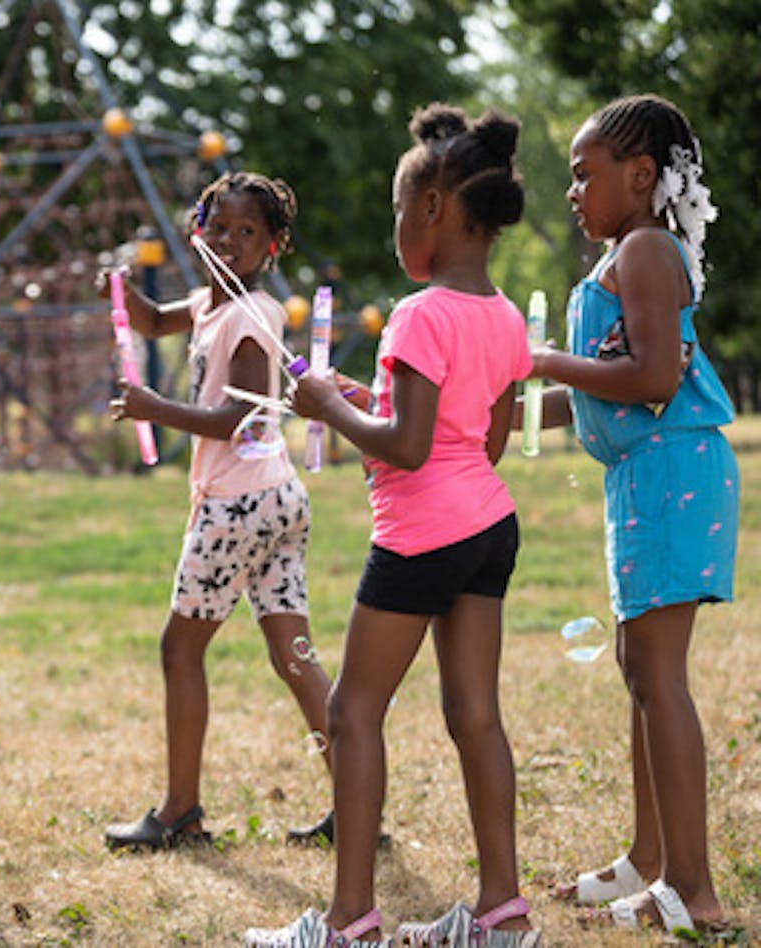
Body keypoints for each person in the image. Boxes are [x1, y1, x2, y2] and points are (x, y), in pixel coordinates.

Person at [244, 105, 537, 947]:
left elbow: (409, 450)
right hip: (487, 525)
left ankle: (348, 923)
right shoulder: (506, 317)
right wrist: (373, 406)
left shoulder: (418, 314)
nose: (397, 229)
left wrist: (332, 404)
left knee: (352, 713)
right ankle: (503, 911)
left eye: (399, 213)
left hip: (423, 536)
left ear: (437, 211)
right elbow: (482, 438)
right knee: (475, 714)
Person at [530, 94, 734, 938]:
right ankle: (651, 863)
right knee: (638, 667)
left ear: (642, 176)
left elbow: (651, 381)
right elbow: (600, 380)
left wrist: (545, 358)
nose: (573, 192)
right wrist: (479, 406)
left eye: (584, 176)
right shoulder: (629, 253)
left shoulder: (647, 250)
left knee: (660, 675)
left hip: (671, 472)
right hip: (647, 477)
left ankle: (695, 890)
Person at [98, 170, 337, 852]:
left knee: (181, 649)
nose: (228, 241)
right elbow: (149, 320)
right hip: (278, 502)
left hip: (240, 505)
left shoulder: (252, 314)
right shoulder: (210, 303)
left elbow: (247, 417)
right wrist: (118, 291)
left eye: (247, 233)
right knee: (294, 657)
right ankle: (358, 798)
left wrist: (155, 410)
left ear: (274, 246)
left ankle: (179, 810)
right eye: (217, 228)